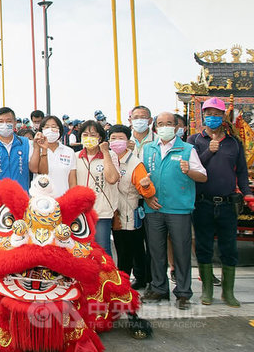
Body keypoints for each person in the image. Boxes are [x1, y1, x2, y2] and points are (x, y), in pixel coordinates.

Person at [133, 111, 207, 310]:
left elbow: (202, 176)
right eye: (160, 123)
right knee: (156, 251)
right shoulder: (148, 150)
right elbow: (138, 177)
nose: (164, 126)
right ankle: (159, 288)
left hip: (179, 209)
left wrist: (188, 171)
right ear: (155, 127)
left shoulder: (187, 149)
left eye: (168, 123)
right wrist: (147, 195)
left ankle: (183, 293)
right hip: (153, 208)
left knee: (182, 252)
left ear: (176, 127)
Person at [188, 98, 254, 307]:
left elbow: (242, 172)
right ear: (203, 115)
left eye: (217, 114)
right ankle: (207, 290)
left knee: (229, 247)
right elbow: (193, 167)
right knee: (204, 245)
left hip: (227, 204)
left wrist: (247, 194)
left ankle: (228, 292)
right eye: (209, 114)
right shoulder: (194, 140)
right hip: (202, 203)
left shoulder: (234, 142)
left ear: (224, 116)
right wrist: (210, 151)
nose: (213, 118)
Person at [107, 124, 153, 290]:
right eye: (113, 138)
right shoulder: (108, 158)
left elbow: (145, 190)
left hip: (129, 212)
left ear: (128, 141)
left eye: (121, 138)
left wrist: (146, 186)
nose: (116, 142)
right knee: (121, 247)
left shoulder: (135, 163)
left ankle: (131, 281)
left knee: (130, 248)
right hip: (112, 211)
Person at [74, 120, 120, 257]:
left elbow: (112, 179)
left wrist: (105, 152)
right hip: (80, 213)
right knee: (81, 250)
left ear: (100, 137)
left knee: (102, 249)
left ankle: (107, 278)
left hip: (101, 212)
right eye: (85, 134)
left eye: (93, 135)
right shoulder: (75, 157)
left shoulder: (110, 155)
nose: (89, 138)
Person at [0, 107, 44, 205]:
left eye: (8, 121)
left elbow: (34, 169)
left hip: (21, 200)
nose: (5, 124)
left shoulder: (26, 143)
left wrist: (37, 147)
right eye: (1, 121)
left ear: (15, 123)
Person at [38, 115, 76, 197]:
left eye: (54, 127)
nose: (50, 130)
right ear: (42, 130)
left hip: (63, 200)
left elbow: (72, 181)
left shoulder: (69, 151)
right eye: (46, 127)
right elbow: (41, 173)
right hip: (41, 201)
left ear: (60, 130)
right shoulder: (37, 150)